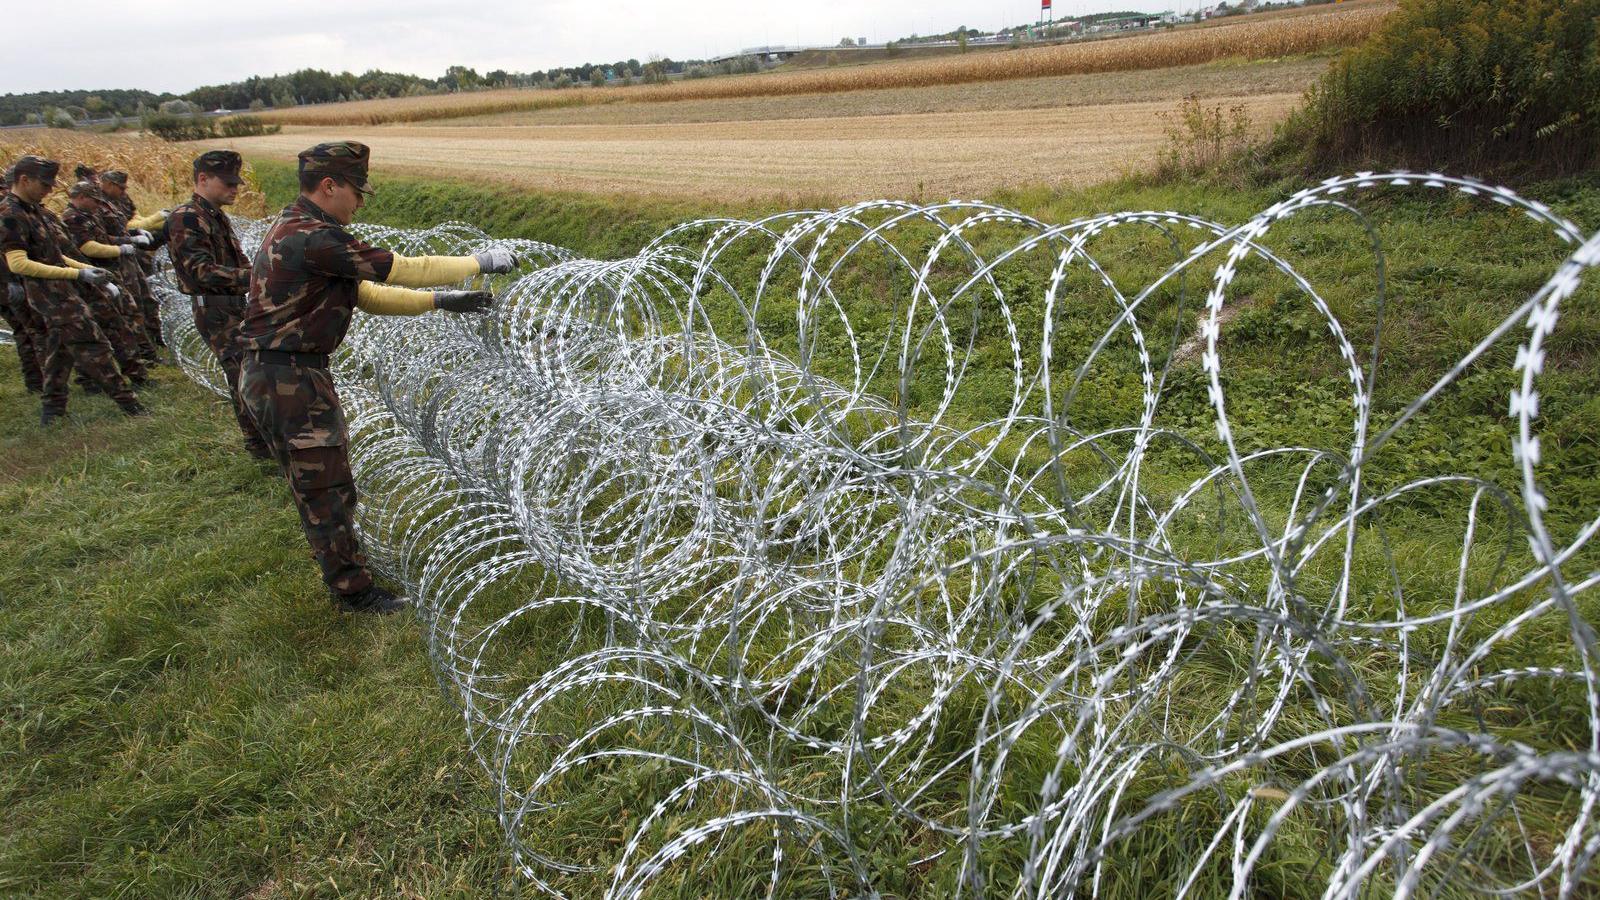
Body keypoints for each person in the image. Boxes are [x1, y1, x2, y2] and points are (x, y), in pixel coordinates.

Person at [239, 141, 514, 615]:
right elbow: (402, 269)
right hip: (287, 377)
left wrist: (439, 302)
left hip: (282, 372)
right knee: (324, 488)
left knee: (327, 481)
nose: (361, 202)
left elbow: (365, 295)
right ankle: (354, 593)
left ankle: (348, 573)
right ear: (330, 186)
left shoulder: (299, 227)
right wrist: (479, 262)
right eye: (356, 191)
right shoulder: (314, 237)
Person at [0, 156, 144, 424]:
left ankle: (52, 411)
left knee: (60, 352)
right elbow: (18, 263)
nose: (50, 188)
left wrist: (86, 272)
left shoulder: (36, 211)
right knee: (95, 345)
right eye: (44, 183)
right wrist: (78, 273)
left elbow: (53, 255)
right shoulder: (10, 215)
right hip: (49, 296)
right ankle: (129, 404)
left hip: (61, 291)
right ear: (24, 180)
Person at [166, 150, 269, 458]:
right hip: (215, 309)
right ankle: (260, 446)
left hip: (230, 304)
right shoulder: (187, 217)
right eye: (227, 183)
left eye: (235, 182)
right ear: (203, 179)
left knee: (250, 372)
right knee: (244, 375)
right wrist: (257, 277)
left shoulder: (212, 215)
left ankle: (262, 442)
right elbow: (201, 270)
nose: (235, 189)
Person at [61, 181, 150, 387]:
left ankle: (134, 369)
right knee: (109, 327)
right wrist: (120, 250)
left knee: (121, 321)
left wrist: (128, 238)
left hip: (103, 273)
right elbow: (88, 247)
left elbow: (103, 238)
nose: (97, 205)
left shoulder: (87, 215)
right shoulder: (72, 218)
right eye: (94, 200)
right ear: (82, 197)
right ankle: (96, 379)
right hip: (91, 277)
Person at [98, 170, 168, 350]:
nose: (123, 191)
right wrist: (131, 236)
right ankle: (141, 347)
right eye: (120, 187)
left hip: (131, 255)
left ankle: (157, 338)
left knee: (148, 298)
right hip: (113, 260)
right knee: (131, 304)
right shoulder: (96, 203)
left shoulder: (120, 199)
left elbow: (132, 217)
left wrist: (140, 228)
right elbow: (99, 236)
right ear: (108, 184)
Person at [0, 169, 45, 394]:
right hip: (8, 283)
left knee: (28, 331)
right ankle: (36, 383)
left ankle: (38, 381)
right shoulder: (7, 213)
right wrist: (10, 282)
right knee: (27, 331)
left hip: (12, 280)